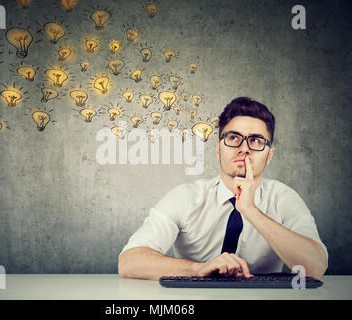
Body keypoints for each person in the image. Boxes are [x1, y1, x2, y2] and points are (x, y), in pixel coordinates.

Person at [118, 97, 328, 280]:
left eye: (256, 140)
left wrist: (250, 210)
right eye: (233, 138)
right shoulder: (185, 197)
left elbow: (315, 267)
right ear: (219, 149)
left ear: (269, 154)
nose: (244, 148)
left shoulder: (284, 199)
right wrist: (199, 268)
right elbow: (129, 262)